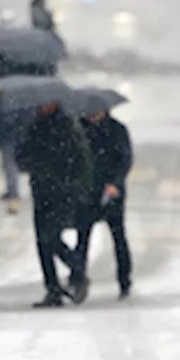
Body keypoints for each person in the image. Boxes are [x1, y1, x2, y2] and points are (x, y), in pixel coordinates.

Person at [15, 100, 93, 307]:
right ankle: (53, 289)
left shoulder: (67, 127)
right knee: (43, 242)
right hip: (41, 190)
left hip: (63, 191)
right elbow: (21, 156)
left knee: (52, 237)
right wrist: (32, 164)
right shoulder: (33, 127)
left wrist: (74, 185)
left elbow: (79, 158)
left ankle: (77, 269)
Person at [69, 105, 134, 303]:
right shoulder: (78, 129)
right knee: (82, 237)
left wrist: (115, 182)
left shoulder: (117, 129)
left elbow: (124, 159)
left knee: (118, 236)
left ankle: (124, 280)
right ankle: (78, 279)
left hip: (110, 191)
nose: (92, 115)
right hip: (87, 191)